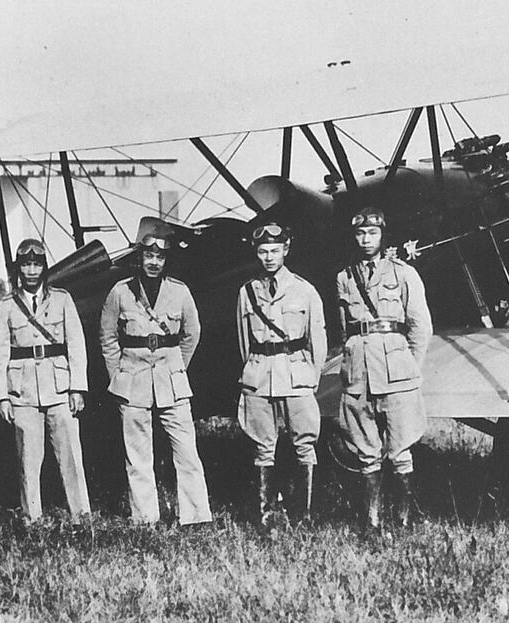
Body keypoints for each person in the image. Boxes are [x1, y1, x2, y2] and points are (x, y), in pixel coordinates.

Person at [99, 233, 212, 526]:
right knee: (137, 455)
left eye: (159, 257)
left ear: (166, 261)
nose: (153, 262)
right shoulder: (120, 292)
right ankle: (146, 518)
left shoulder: (179, 292)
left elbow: (192, 333)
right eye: (148, 256)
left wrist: (177, 367)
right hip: (133, 381)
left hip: (171, 381)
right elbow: (108, 337)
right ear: (139, 257)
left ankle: (196, 517)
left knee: (186, 450)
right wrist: (118, 375)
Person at [334, 207, 433, 532]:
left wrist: (409, 368)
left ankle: (404, 521)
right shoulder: (345, 277)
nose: (366, 239)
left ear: (382, 235)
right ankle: (372, 522)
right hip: (359, 373)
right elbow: (343, 330)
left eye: (372, 233)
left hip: (396, 372)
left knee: (401, 449)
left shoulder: (403, 274)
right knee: (366, 451)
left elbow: (420, 327)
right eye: (361, 234)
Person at [0, 238, 92, 523]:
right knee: (28, 462)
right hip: (22, 394)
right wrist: (2, 396)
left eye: (36, 264)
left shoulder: (61, 299)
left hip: (59, 390)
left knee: (71, 457)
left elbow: (76, 345)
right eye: (26, 265)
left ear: (44, 267)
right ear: (18, 269)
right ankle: (32, 519)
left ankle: (81, 517)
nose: (31, 271)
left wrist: (77, 387)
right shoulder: (7, 306)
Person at [234, 221, 327, 526]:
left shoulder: (304, 290)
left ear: (286, 250)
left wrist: (310, 378)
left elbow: (318, 340)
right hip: (260, 376)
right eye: (263, 251)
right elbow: (244, 341)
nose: (269, 257)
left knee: (305, 443)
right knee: (263, 445)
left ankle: (305, 516)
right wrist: (253, 371)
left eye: (275, 250)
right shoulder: (247, 292)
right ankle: (266, 516)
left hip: (296, 375)